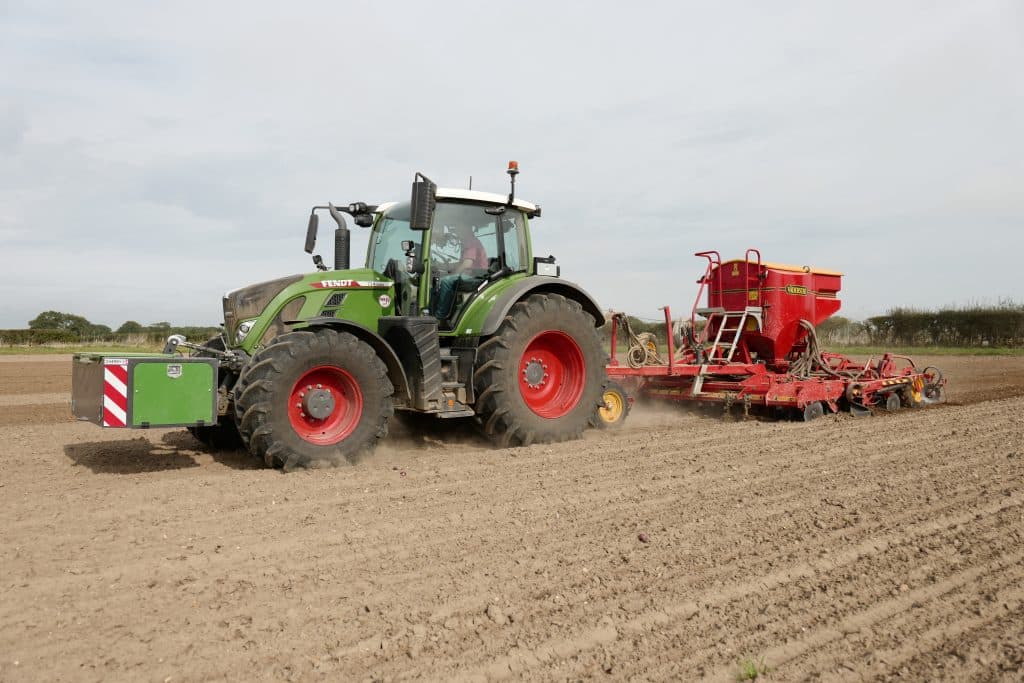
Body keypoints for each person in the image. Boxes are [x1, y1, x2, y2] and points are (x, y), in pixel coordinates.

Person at [432, 223, 488, 321]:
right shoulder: (466, 241)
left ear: (465, 229)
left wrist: (453, 274)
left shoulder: (471, 241)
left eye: (457, 229)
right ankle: (433, 311)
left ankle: (440, 317)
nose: (456, 232)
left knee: (446, 281)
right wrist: (442, 266)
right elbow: (462, 262)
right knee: (437, 281)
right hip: (470, 275)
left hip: (477, 277)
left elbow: (467, 264)